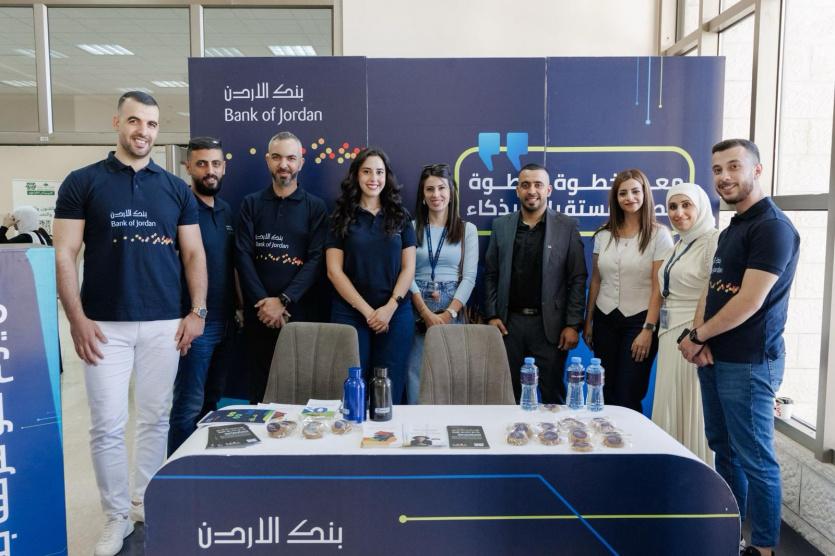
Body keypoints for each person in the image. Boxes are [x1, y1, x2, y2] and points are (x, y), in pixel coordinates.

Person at [53, 91, 207, 556]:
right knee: (107, 424)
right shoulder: (83, 182)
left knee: (155, 419)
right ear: (117, 122)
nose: (143, 131)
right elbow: (65, 254)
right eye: (135, 121)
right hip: (104, 326)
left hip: (164, 324)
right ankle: (115, 516)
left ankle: (144, 503)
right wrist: (76, 319)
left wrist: (197, 311)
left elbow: (193, 254)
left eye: (152, 124)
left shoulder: (175, 188)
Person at [679, 139, 799, 556]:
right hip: (715, 357)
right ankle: (732, 535)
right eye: (717, 170)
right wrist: (698, 338)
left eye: (734, 167)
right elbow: (711, 290)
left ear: (757, 170)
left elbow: (750, 301)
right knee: (725, 452)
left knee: (756, 460)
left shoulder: (773, 227)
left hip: (748, 363)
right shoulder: (733, 228)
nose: (724, 177)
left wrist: (698, 337)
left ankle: (763, 548)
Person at [235, 131, 328, 403]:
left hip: (300, 313)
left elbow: (316, 260)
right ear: (267, 160)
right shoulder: (251, 204)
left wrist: (284, 300)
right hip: (259, 314)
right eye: (276, 157)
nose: (283, 164)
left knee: (301, 388)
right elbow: (242, 255)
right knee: (260, 391)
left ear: (301, 162)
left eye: (290, 158)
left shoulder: (316, 207)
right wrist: (264, 303)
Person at [484, 162, 587, 404]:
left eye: (538, 185)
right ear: (517, 190)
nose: (532, 191)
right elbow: (490, 274)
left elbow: (577, 278)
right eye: (525, 185)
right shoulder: (501, 225)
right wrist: (491, 315)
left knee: (553, 397)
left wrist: (573, 324)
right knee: (507, 397)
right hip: (509, 326)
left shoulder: (567, 226)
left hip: (550, 327)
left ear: (548, 190)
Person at [325, 147, 416, 403]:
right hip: (350, 313)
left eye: (379, 172)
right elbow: (334, 271)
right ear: (356, 175)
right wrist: (369, 312)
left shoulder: (401, 216)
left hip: (395, 314)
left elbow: (409, 268)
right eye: (367, 172)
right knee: (352, 390)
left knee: (389, 392)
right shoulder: (340, 217)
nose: (373, 178)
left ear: (387, 176)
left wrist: (389, 308)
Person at [584, 168, 673, 412]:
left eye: (635, 191)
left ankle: (629, 438)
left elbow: (658, 287)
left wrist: (648, 329)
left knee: (628, 394)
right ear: (615, 198)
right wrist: (589, 321)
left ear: (645, 194)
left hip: (639, 322)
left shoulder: (659, 235)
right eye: (623, 193)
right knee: (604, 391)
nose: (629, 197)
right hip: (604, 320)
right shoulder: (603, 235)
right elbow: (596, 280)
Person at [167, 137, 235, 454]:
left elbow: (231, 264)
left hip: (227, 322)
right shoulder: (179, 209)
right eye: (202, 164)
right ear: (188, 167)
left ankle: (201, 469)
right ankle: (177, 475)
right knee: (187, 407)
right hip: (195, 325)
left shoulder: (226, 210)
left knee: (211, 403)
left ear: (224, 167)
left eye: (216, 164)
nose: (210, 170)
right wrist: (191, 314)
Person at [651, 182, 718, 466]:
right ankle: (672, 471)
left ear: (700, 207)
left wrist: (699, 337)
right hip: (670, 335)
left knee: (692, 406)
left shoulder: (713, 241)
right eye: (673, 207)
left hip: (693, 337)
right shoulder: (680, 243)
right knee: (670, 404)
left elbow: (714, 293)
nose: (678, 213)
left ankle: (698, 473)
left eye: (686, 205)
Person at [406, 163, 478, 403]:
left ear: (451, 192)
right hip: (416, 304)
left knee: (451, 372)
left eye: (441, 188)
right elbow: (406, 273)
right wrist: (424, 312)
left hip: (453, 304)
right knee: (416, 373)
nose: (436, 195)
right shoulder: (411, 228)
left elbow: (469, 277)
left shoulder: (467, 230)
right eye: (429, 189)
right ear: (422, 195)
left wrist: (450, 313)